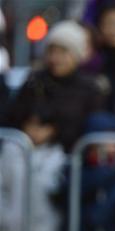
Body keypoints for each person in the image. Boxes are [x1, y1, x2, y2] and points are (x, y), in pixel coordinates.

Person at [5, 20, 103, 151]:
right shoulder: (34, 80)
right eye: (51, 51)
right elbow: (12, 114)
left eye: (63, 52)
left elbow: (84, 125)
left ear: (76, 54)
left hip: (65, 157)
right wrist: (26, 126)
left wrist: (53, 131)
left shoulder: (89, 88)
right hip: (25, 149)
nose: (55, 58)